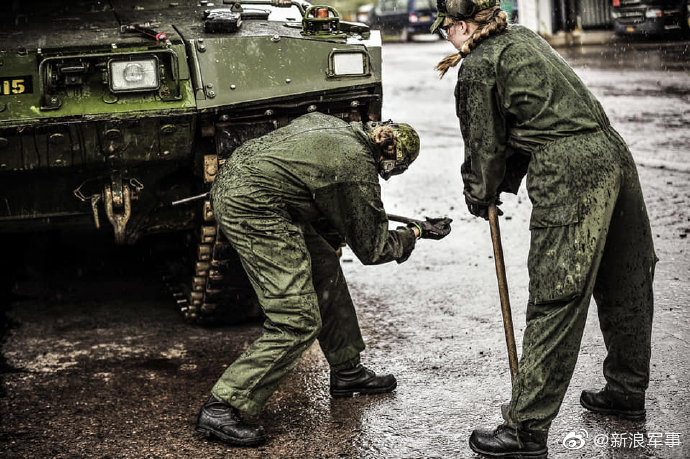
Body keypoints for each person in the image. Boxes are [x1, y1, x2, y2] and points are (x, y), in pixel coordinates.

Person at [431, 1, 656, 457]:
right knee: (626, 279)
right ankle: (626, 392)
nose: (445, 39)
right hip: (612, 154)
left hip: (569, 168)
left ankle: (526, 429)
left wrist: (480, 191)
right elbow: (525, 118)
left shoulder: (478, 65)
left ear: (459, 26)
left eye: (445, 31)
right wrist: (494, 182)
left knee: (557, 294)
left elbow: (484, 143)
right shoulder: (524, 39)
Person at [195, 112, 452, 446]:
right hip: (255, 208)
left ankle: (347, 372)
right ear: (389, 159)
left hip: (255, 189)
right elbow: (373, 249)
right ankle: (222, 406)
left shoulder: (335, 126)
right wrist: (415, 232)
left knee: (325, 270)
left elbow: (312, 182)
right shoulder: (357, 168)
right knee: (297, 320)